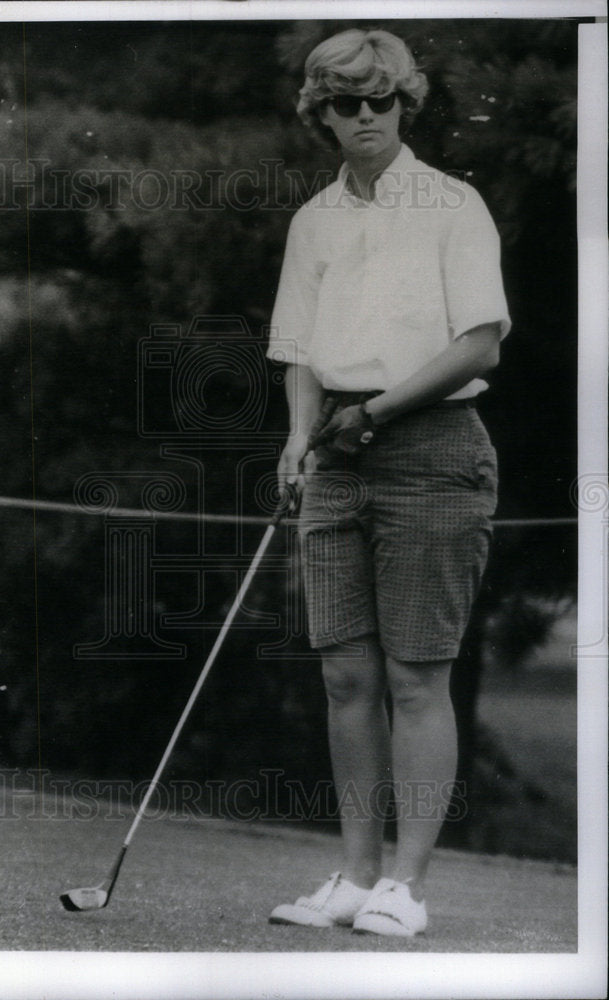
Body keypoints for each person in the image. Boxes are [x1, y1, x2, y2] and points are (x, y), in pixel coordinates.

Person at [266, 28, 510, 937]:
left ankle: (405, 888)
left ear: (405, 104)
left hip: (433, 447)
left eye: (381, 100)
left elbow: (478, 344)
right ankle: (357, 876)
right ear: (319, 112)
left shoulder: (453, 205)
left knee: (414, 675)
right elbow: (297, 351)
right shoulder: (313, 220)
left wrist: (370, 416)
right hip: (333, 451)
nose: (364, 116)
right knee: (345, 677)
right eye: (343, 102)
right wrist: (299, 439)